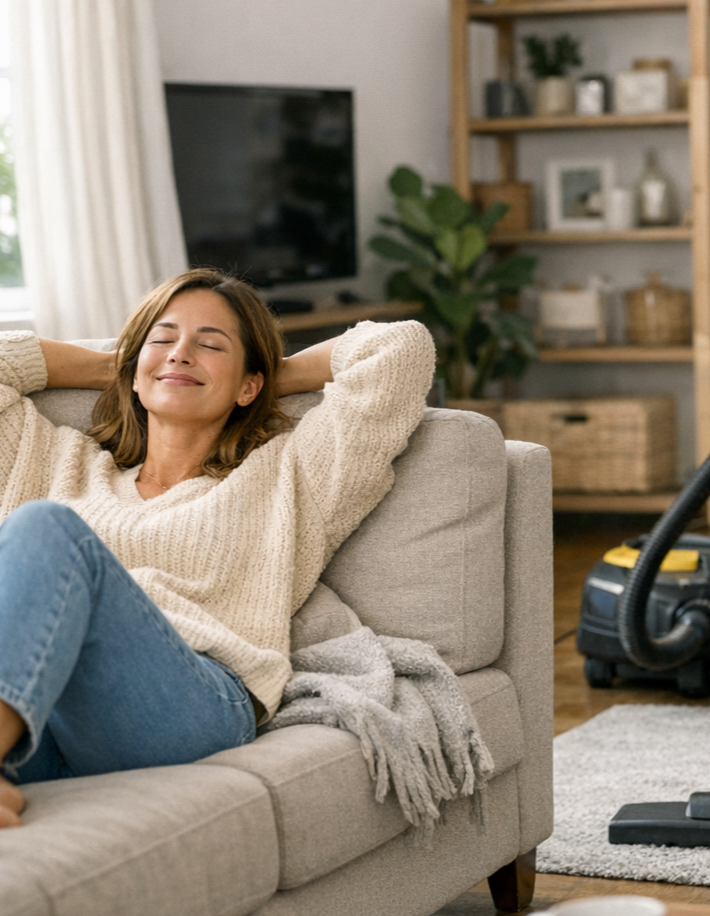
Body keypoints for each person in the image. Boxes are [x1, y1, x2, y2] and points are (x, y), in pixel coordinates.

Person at [0, 268, 435, 827]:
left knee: (45, 529)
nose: (181, 353)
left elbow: (400, 348)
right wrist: (124, 363)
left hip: (193, 702)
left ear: (253, 384)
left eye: (209, 345)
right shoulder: (55, 461)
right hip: (50, 716)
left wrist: (263, 377)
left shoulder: (290, 475)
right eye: (164, 338)